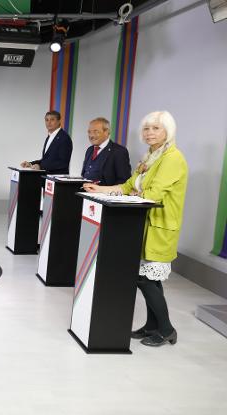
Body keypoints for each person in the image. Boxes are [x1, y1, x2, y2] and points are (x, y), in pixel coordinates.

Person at [83, 110, 187, 347]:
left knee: (145, 279)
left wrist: (132, 193)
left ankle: (167, 329)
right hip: (141, 225)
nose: (150, 133)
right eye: (147, 128)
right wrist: (98, 190)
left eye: (156, 128)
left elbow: (152, 194)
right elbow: (129, 185)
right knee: (150, 279)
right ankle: (153, 326)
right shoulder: (151, 156)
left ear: (167, 131)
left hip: (159, 228)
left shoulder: (172, 158)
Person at [81, 117, 131, 185]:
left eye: (96, 131)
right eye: (89, 132)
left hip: (105, 194)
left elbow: (124, 180)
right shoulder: (89, 150)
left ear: (107, 132)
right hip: (84, 192)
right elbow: (84, 175)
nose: (91, 135)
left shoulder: (119, 151)